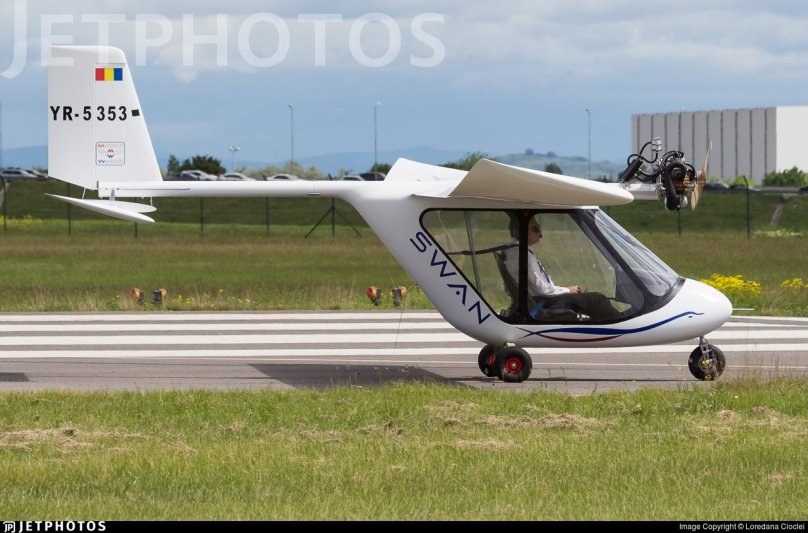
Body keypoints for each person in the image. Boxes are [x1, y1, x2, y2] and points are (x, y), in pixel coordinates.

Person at [501, 214, 621, 321]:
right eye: (535, 229)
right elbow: (543, 290)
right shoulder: (523, 254)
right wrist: (568, 290)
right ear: (521, 231)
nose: (540, 233)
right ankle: (620, 324)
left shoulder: (510, 251)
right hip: (542, 303)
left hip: (532, 302)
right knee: (597, 299)